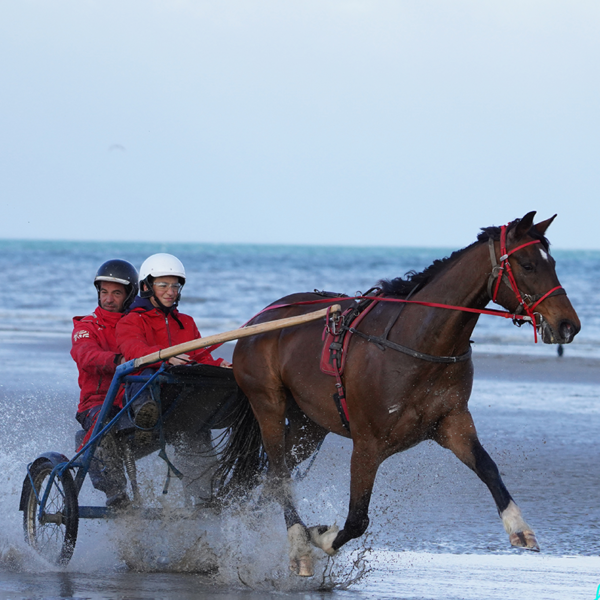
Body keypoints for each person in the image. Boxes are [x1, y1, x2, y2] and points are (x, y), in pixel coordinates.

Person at [116, 253, 231, 505]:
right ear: (146, 287)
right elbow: (132, 349)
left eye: (175, 286)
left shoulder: (186, 322)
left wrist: (219, 364)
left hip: (181, 406)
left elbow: (200, 356)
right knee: (147, 371)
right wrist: (164, 358)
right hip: (143, 395)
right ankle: (147, 419)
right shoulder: (132, 320)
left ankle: (204, 498)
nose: (171, 292)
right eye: (163, 285)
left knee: (217, 377)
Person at [71, 259, 138, 508]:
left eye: (116, 293)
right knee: (105, 418)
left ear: (129, 295)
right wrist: (119, 360)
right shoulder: (86, 326)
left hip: (131, 401)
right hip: (97, 405)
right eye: (104, 292)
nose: (108, 299)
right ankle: (115, 493)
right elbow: (86, 356)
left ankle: (201, 496)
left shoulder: (137, 325)